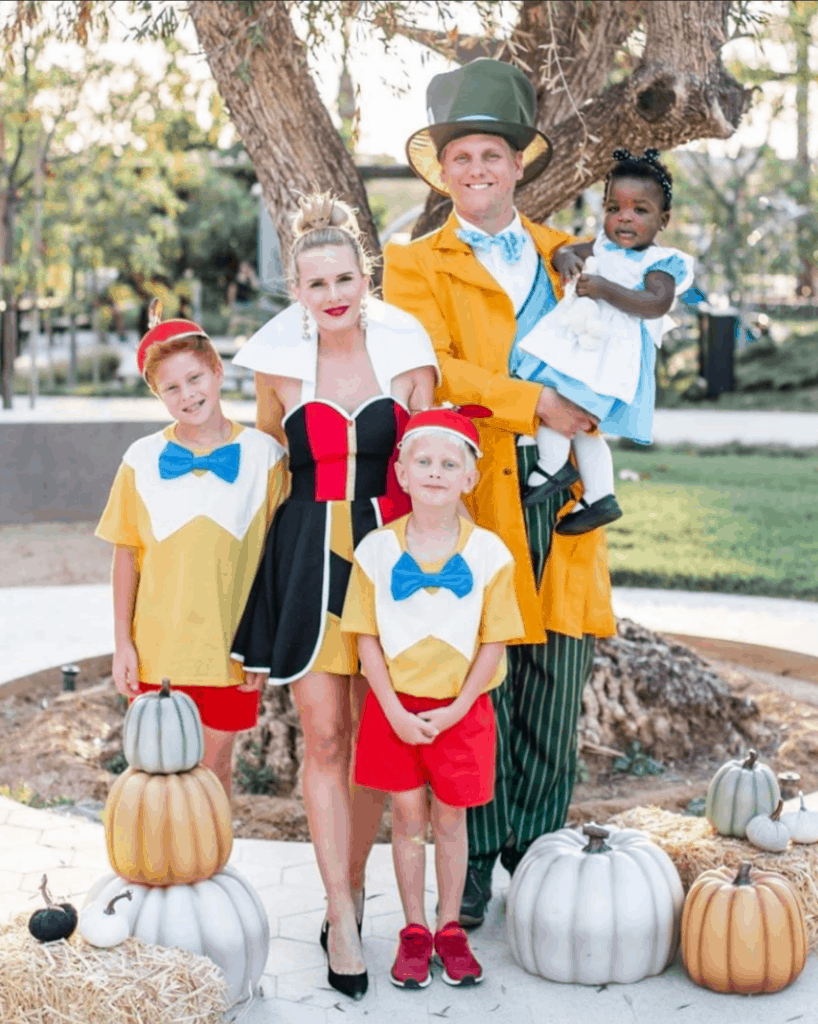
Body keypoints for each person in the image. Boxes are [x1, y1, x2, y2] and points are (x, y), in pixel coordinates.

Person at [383, 58, 616, 929]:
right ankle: (473, 859)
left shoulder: (572, 257)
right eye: (461, 159)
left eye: (492, 155)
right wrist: (537, 403)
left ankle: (543, 856)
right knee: (481, 686)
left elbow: (616, 343)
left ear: (520, 164)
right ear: (442, 173)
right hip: (476, 497)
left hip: (564, 496)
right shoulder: (411, 265)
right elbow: (438, 369)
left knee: (555, 680)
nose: (477, 171)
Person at [229, 194, 438, 999]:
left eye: (345, 278)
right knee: (325, 737)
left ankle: (350, 888)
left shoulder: (409, 353)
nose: (333, 295)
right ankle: (341, 911)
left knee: (376, 743)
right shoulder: (279, 366)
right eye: (315, 284)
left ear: (365, 274)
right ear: (297, 290)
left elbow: (433, 459)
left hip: (390, 556)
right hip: (307, 553)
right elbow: (270, 469)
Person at [341, 407, 524, 990]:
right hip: (393, 709)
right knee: (406, 820)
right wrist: (392, 708)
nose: (436, 472)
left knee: (450, 820)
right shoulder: (374, 550)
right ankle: (414, 929)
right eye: (424, 461)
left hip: (461, 710)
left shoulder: (490, 554)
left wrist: (456, 707)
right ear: (401, 471)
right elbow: (365, 638)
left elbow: (494, 644)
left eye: (451, 463)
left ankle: (450, 927)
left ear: (470, 478)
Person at [96, 307, 286, 798]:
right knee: (161, 780)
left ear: (217, 371)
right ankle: (166, 872)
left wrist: (262, 646)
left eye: (195, 378)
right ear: (157, 396)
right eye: (171, 389)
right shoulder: (140, 460)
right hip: (158, 651)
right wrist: (123, 643)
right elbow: (125, 558)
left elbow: (275, 565)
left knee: (213, 772)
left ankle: (209, 869)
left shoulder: (265, 457)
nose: (188, 395)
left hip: (230, 650)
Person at [514, 147, 696, 533]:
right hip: (585, 350)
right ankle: (600, 495)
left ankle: (550, 469)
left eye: (640, 210)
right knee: (580, 423)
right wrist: (565, 259)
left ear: (663, 220)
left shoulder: (658, 263)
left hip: (610, 358)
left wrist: (605, 289)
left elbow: (656, 303)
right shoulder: (602, 246)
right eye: (614, 208)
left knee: (558, 408)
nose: (624, 217)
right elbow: (564, 251)